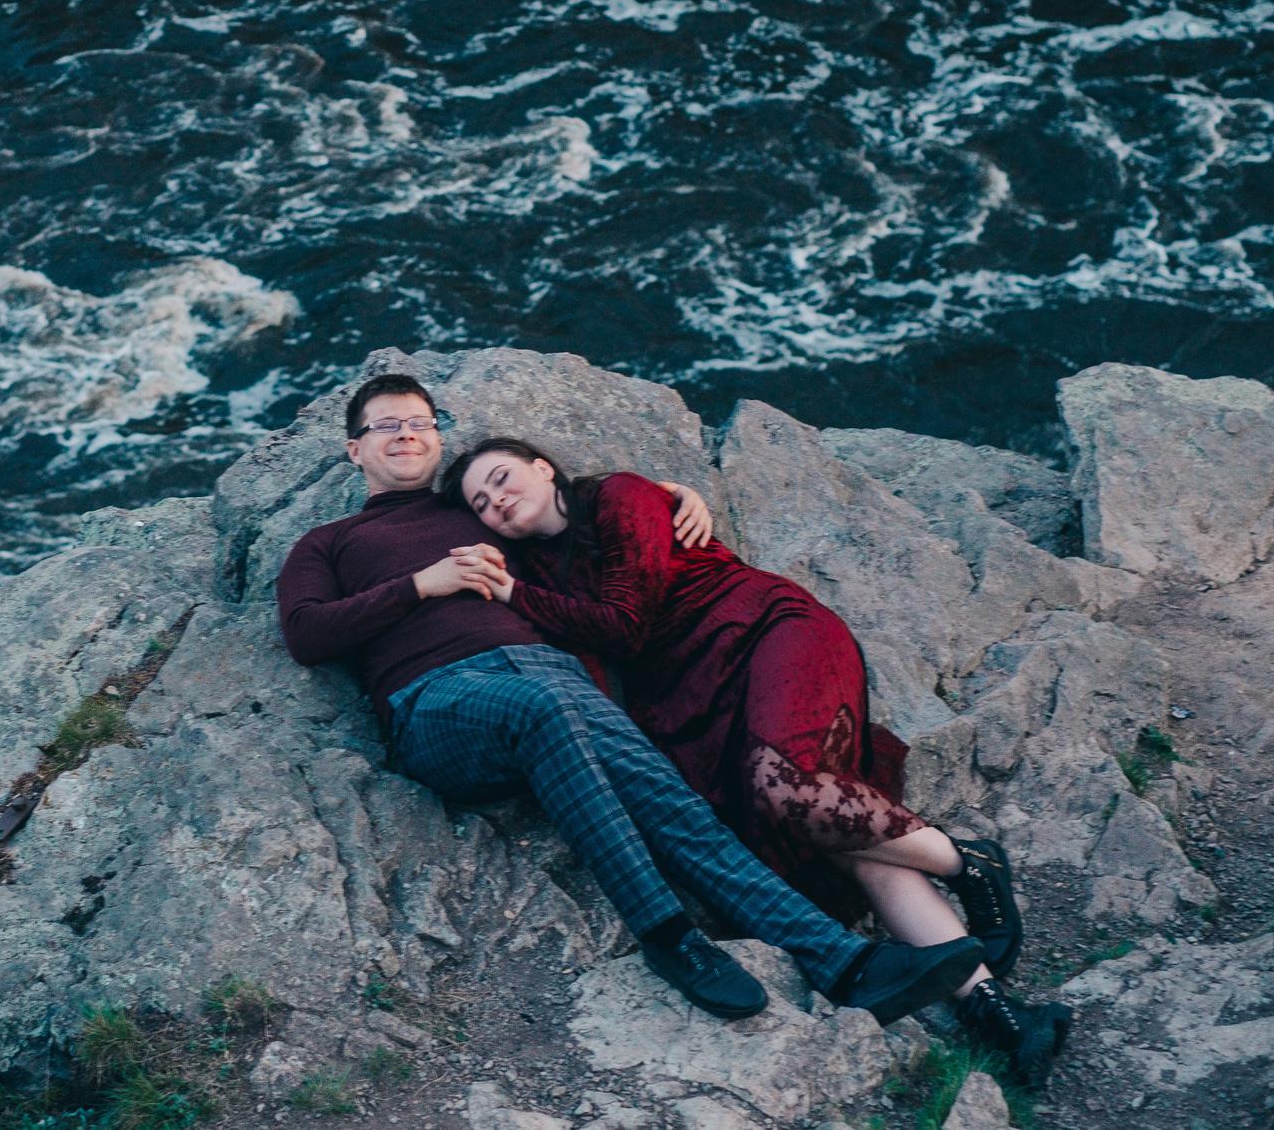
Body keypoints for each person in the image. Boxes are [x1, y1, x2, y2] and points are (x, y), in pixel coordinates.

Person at [274, 373, 989, 1028]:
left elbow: (575, 529)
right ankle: (667, 933)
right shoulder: (328, 542)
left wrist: (669, 493)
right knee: (543, 712)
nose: (406, 433)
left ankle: (848, 962)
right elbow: (305, 632)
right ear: (353, 449)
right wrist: (420, 585)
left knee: (669, 795)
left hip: (544, 671)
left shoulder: (482, 518)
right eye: (386, 424)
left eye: (421, 421)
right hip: (434, 698)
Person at [440, 437, 1072, 1085]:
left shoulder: (618, 495)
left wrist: (515, 591)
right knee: (837, 838)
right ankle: (1003, 1017)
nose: (499, 501)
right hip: (696, 709)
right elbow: (594, 669)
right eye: (483, 503)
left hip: (765, 633)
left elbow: (625, 622)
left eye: (502, 477)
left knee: (789, 788)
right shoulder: (544, 575)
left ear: (543, 466)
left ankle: (967, 861)